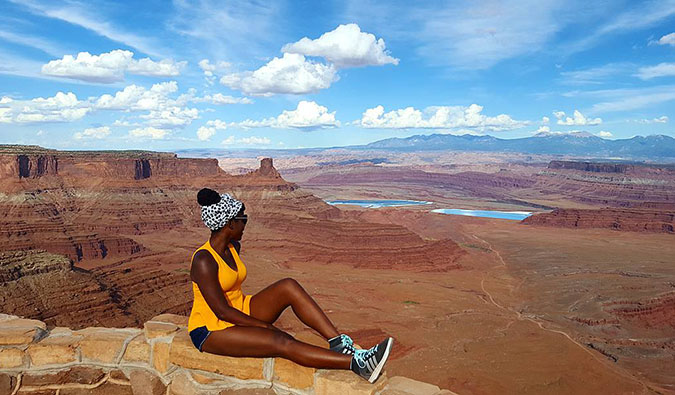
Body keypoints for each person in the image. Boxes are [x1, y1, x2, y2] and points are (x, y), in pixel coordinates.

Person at [188, 188, 393, 383]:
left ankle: (339, 343)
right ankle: (358, 364)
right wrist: (263, 326)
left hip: (241, 308)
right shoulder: (204, 260)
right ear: (230, 224)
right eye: (243, 219)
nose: (245, 225)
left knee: (288, 286)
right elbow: (222, 311)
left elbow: (232, 299)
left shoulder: (233, 247)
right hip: (210, 328)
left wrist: (258, 324)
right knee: (281, 341)